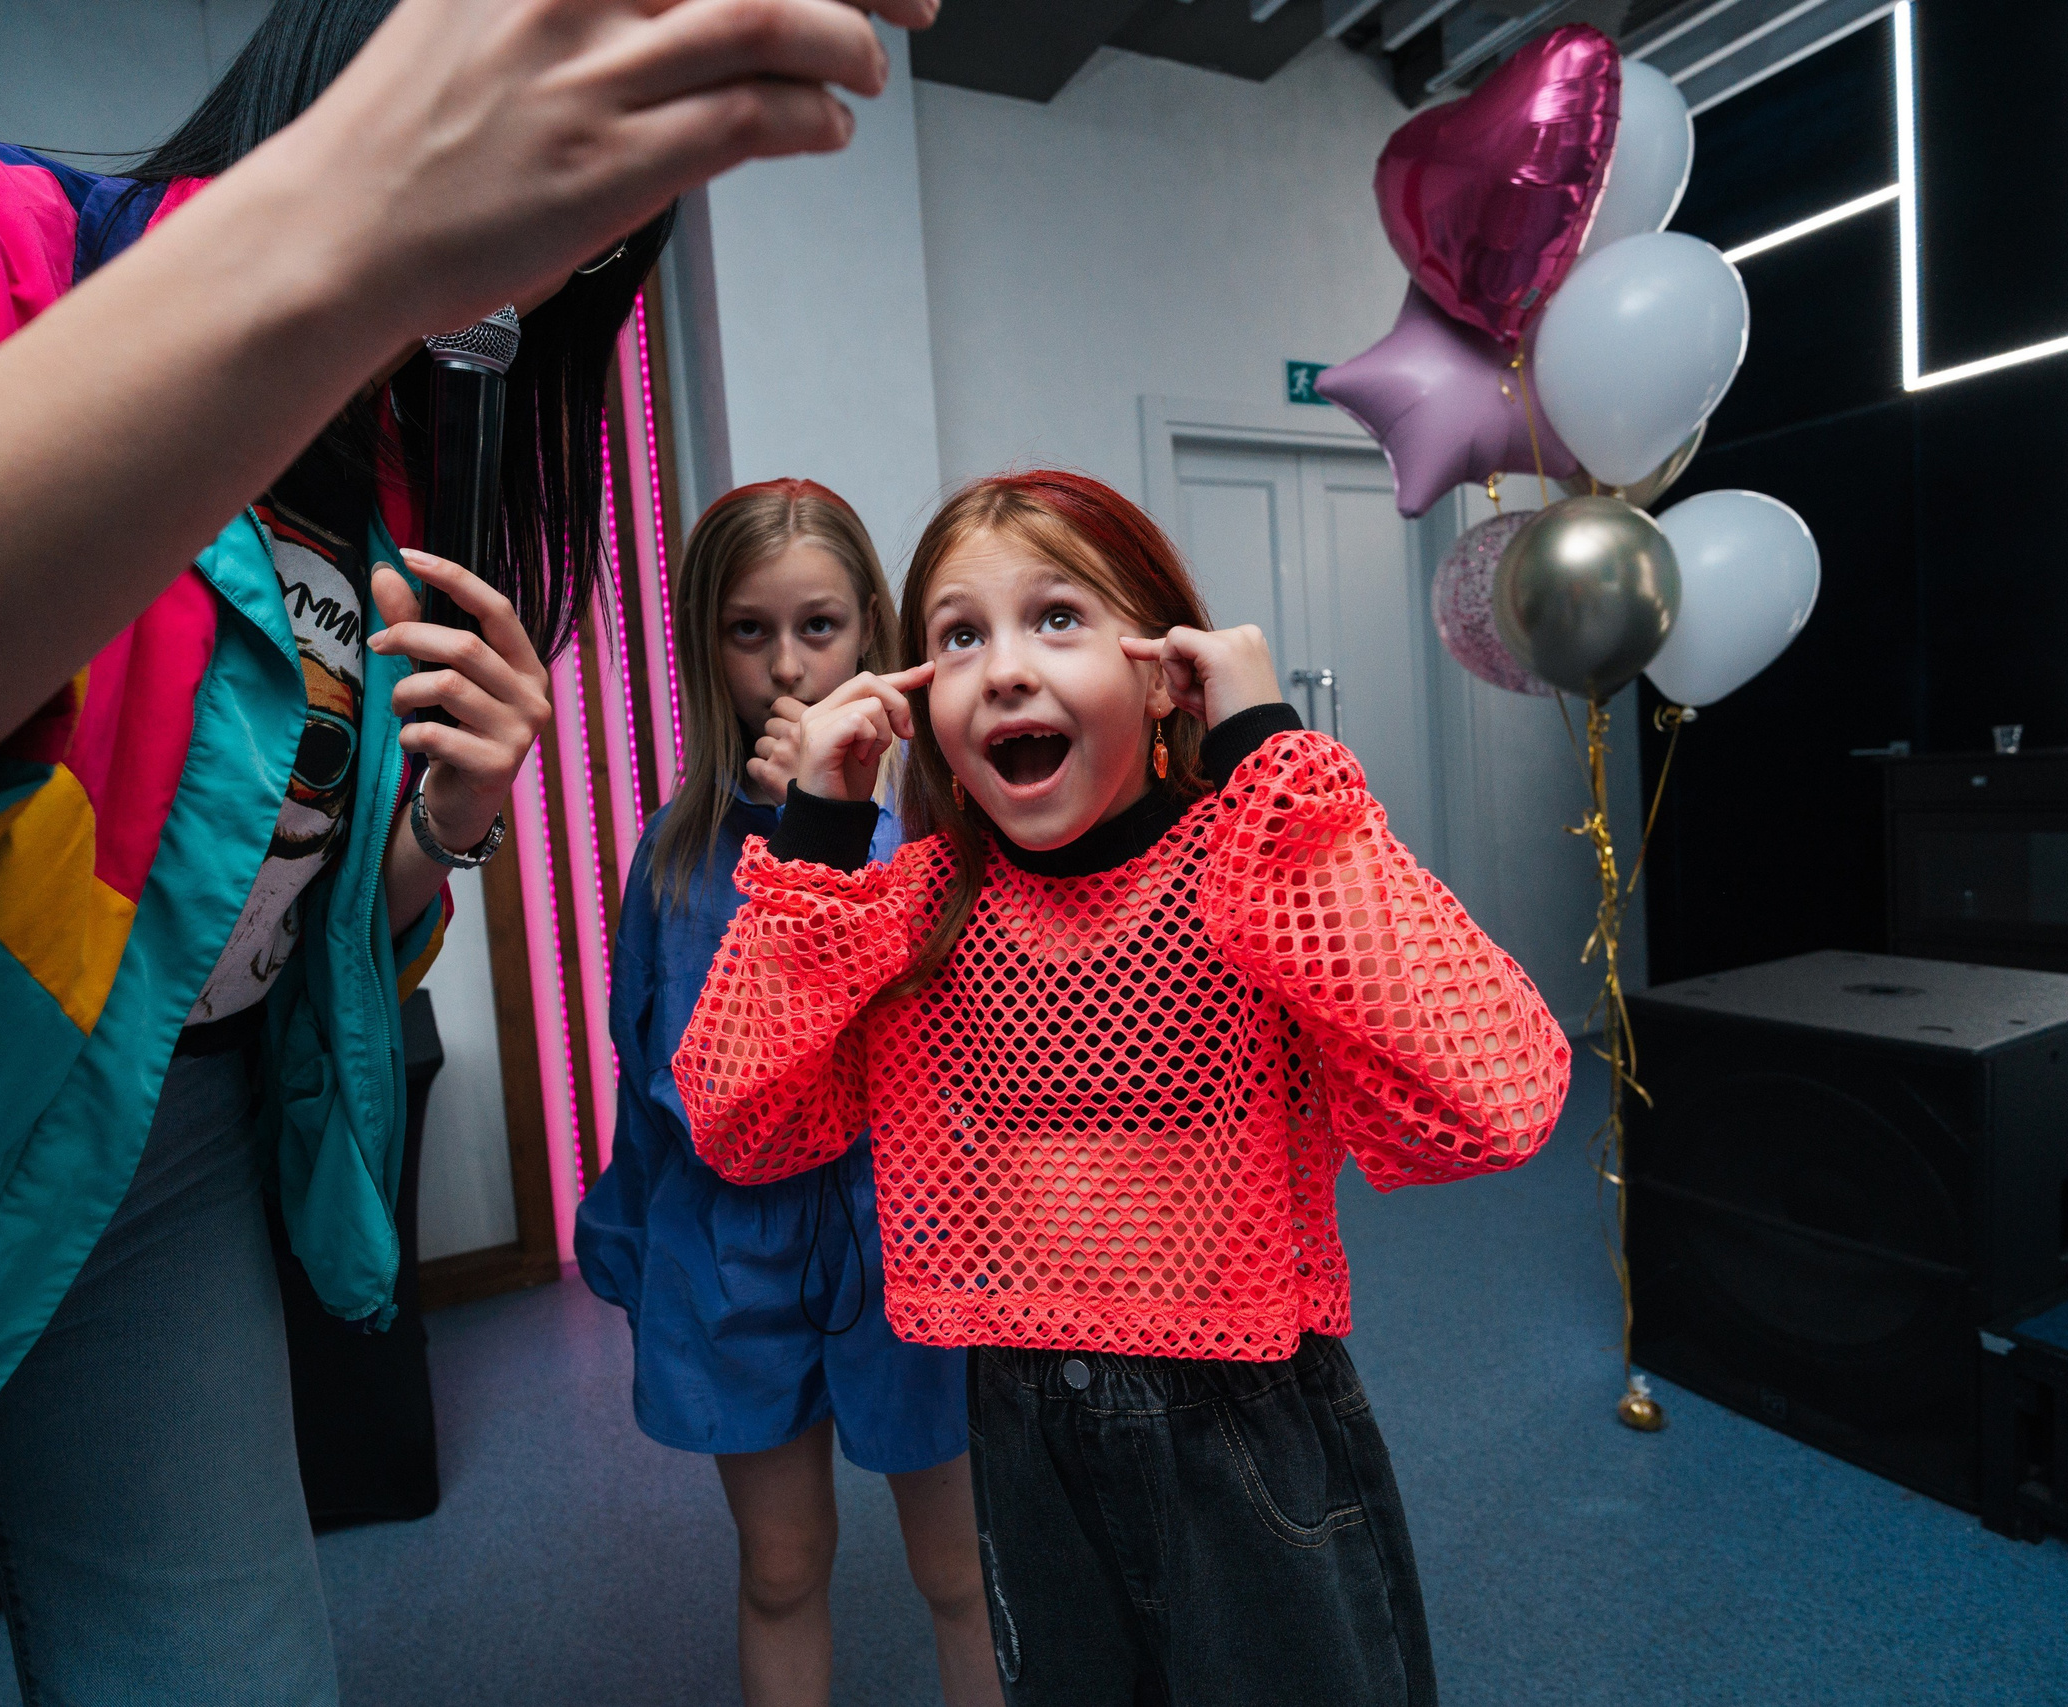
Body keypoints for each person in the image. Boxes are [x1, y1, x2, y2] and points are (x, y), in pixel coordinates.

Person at [0, 0, 937, 1697]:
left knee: (234, 1664)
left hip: (171, 1139)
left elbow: (277, 917)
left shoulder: (391, 516)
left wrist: (445, 827)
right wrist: (349, 226)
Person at [675, 470, 1575, 1706]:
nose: (1001, 666)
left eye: (1056, 618)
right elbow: (741, 1123)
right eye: (957, 636)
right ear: (917, 699)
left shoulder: (1250, 873)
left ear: (1163, 672)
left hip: (1246, 1428)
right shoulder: (918, 914)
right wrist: (823, 834)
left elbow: (1493, 1096)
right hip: (1020, 1433)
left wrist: (1266, 754)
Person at [575, 479, 996, 1707]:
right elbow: (660, 1080)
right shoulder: (673, 853)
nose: (787, 669)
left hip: (904, 1235)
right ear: (707, 639)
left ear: (871, 624)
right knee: (779, 1565)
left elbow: (960, 1041)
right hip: (731, 1250)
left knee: (960, 1569)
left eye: (818, 628)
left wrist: (835, 820)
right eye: (749, 631)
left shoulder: (933, 826)